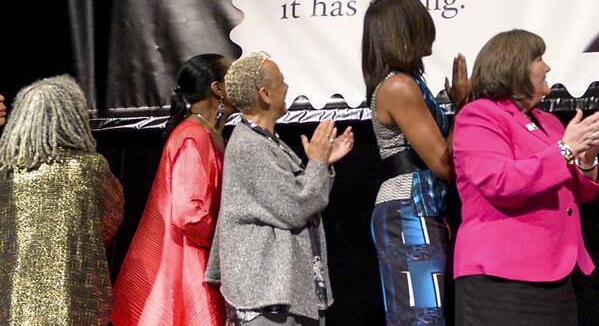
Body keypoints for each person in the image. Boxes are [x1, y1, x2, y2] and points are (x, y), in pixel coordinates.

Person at [452, 29, 599, 325]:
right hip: (501, 279)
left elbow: (578, 192)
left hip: (556, 274)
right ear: (514, 66)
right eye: (539, 58)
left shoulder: (549, 122)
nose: (547, 67)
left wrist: (586, 160)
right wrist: (566, 149)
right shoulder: (480, 116)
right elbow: (501, 182)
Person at [205, 52, 354, 326]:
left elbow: (299, 195)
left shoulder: (267, 142)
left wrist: (321, 164)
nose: (287, 87)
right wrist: (317, 163)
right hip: (267, 296)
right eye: (281, 82)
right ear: (265, 95)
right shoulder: (249, 147)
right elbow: (294, 206)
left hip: (285, 291)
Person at [362, 0, 470, 325]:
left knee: (428, 312)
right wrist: (465, 106)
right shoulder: (398, 87)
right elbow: (443, 163)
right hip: (409, 210)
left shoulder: (408, 83)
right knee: (420, 315)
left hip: (420, 206)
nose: (431, 30)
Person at [112, 54, 234, 325]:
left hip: (199, 260)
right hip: (189, 266)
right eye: (233, 77)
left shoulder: (206, 133)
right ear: (218, 89)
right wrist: (233, 237)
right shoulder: (194, 136)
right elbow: (189, 214)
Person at [0, 75, 125, 325]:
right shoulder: (90, 168)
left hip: (14, 299)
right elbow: (110, 222)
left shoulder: (6, 173)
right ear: (74, 117)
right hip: (77, 297)